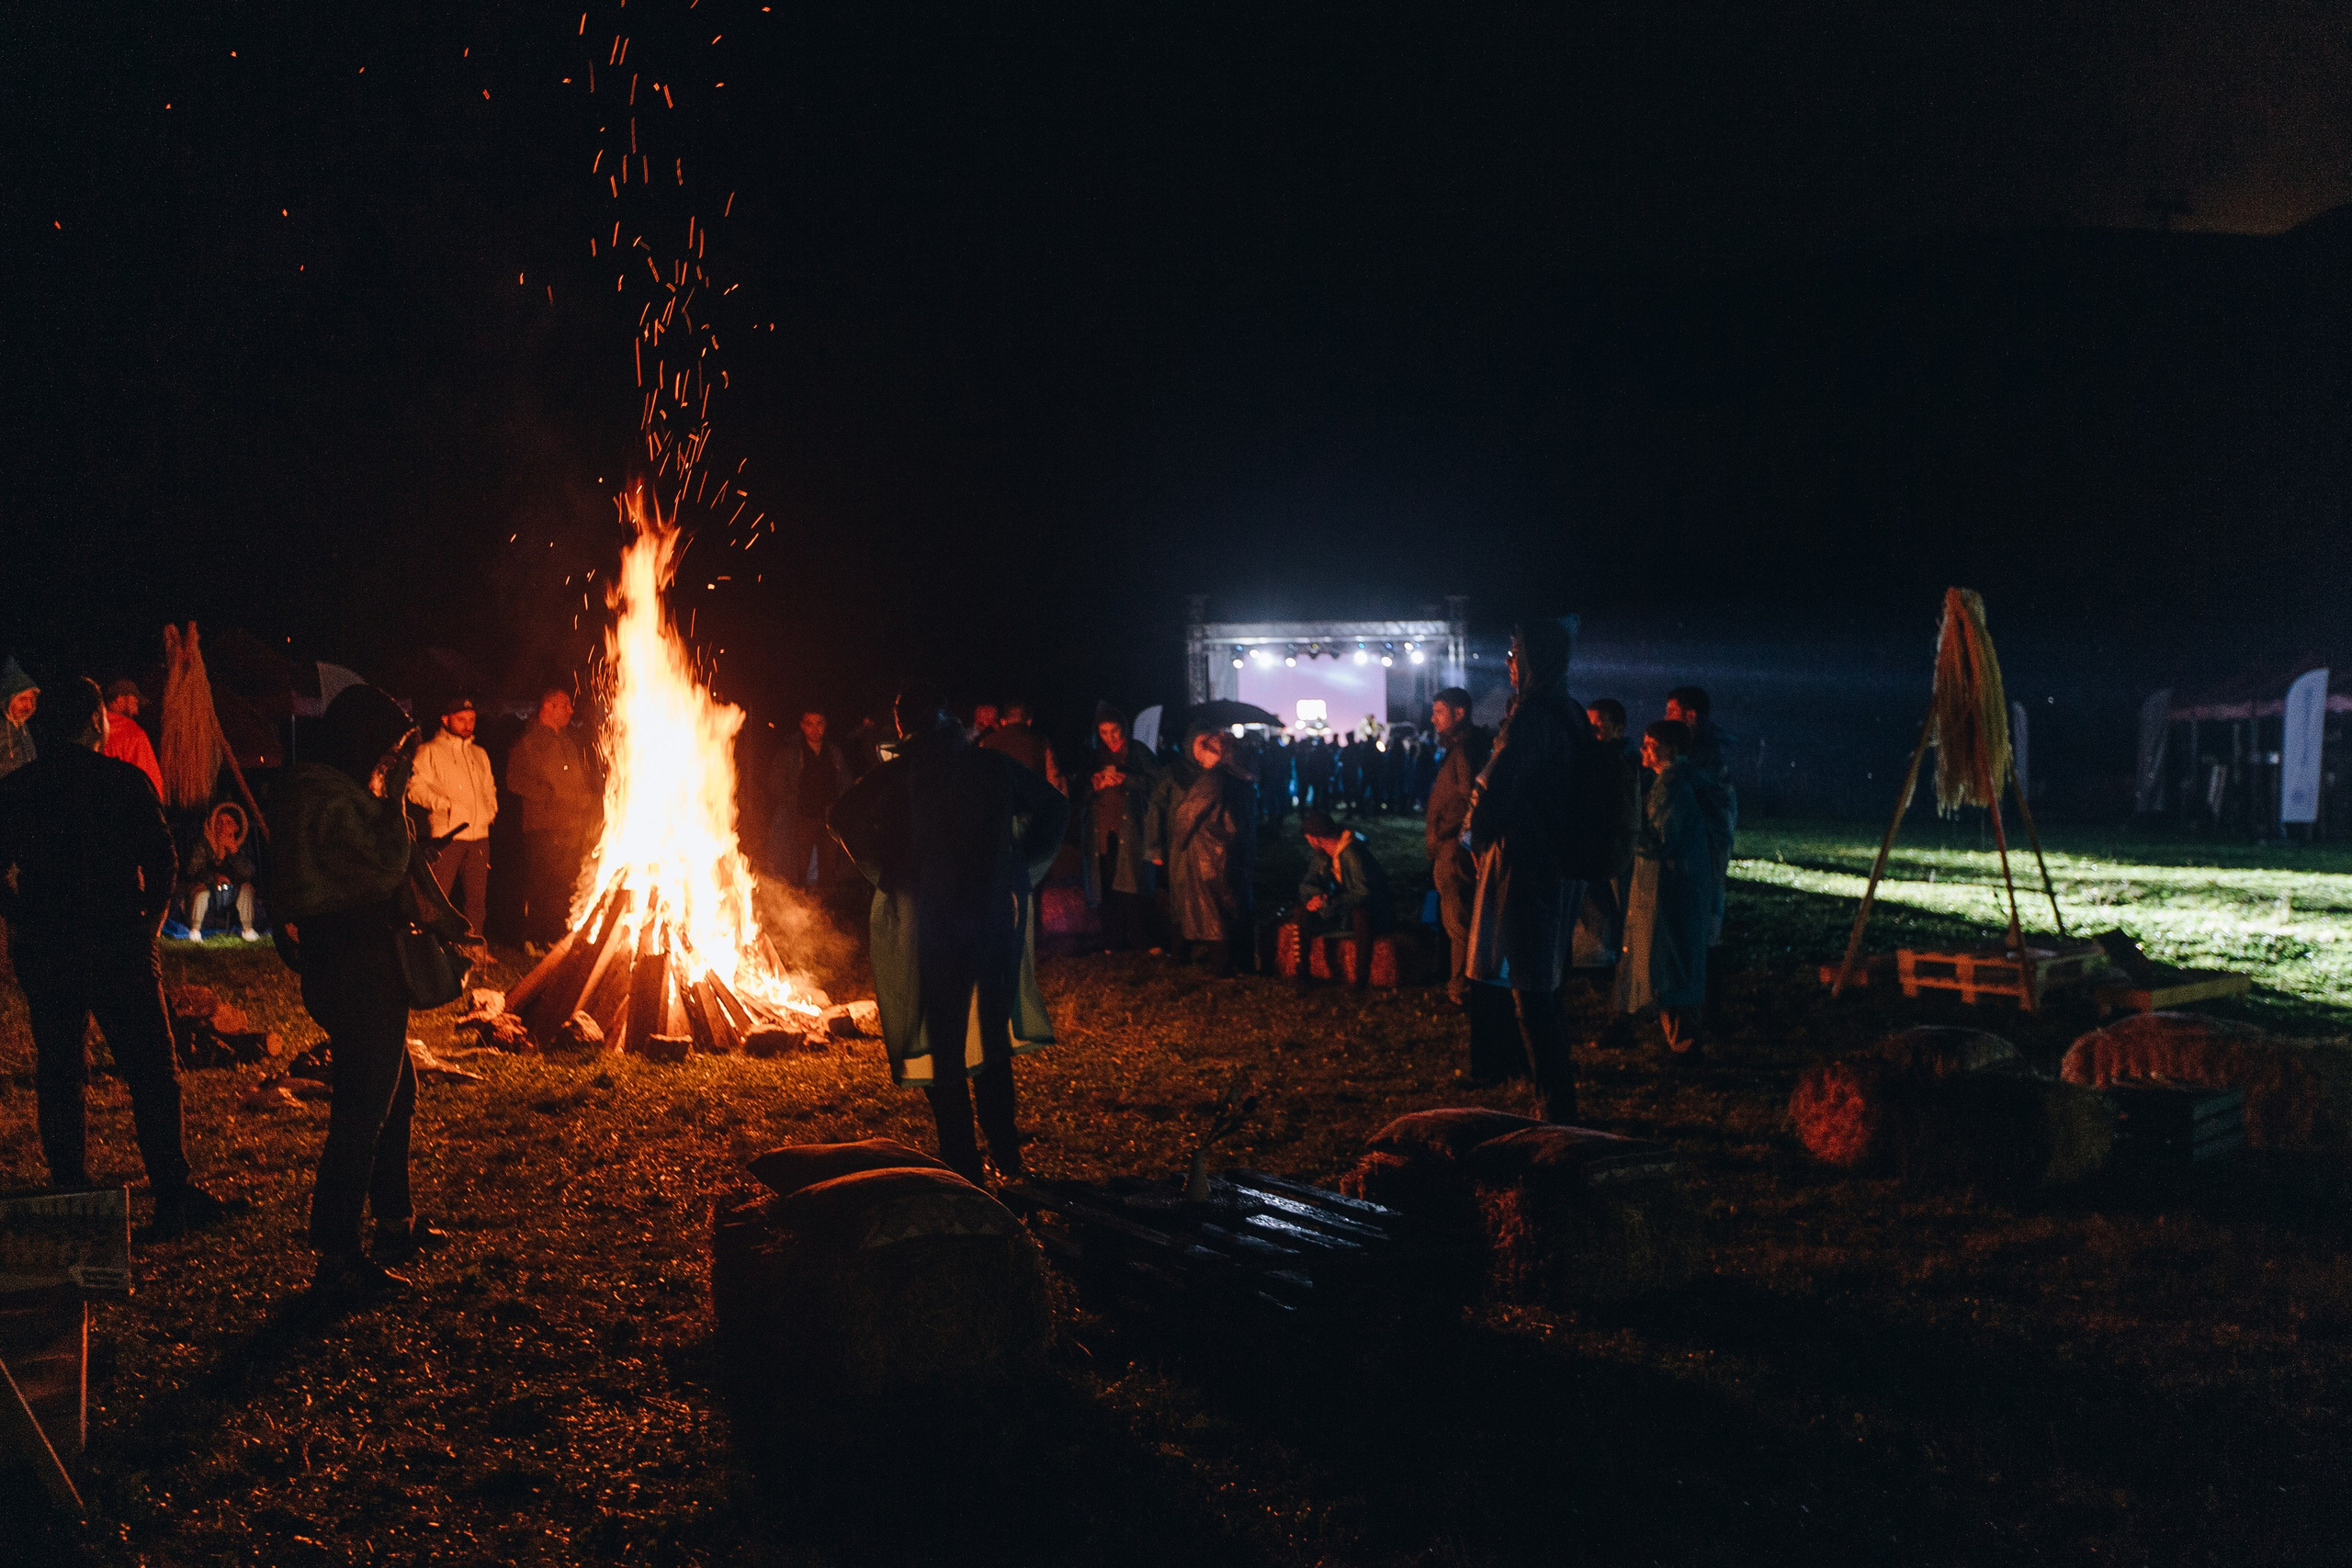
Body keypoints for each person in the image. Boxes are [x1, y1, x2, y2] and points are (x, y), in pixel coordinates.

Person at [0, 677, 238, 1233]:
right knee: (153, 1071)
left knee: (61, 1072)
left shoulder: (18, 789)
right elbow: (163, 865)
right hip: (116, 943)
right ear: (95, 724)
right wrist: (146, 929)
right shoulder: (123, 781)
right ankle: (171, 1194)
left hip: (51, 948)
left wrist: (22, 920)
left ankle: (70, 1196)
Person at [828, 686, 1069, 1185]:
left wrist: (888, 874)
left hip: (935, 924)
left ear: (903, 728)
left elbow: (842, 816)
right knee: (993, 1046)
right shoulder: (991, 767)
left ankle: (964, 1166)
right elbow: (1054, 807)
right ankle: (1008, 1159)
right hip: (990, 921)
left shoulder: (901, 772)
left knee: (946, 1048)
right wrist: (1021, 868)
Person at [270, 682, 464, 1295]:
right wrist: (400, 789)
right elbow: (382, 864)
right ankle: (337, 1254)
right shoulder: (328, 799)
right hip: (357, 968)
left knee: (395, 1092)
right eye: (385, 751)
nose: (387, 762)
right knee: (361, 1111)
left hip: (342, 963)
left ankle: (394, 1220)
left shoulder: (319, 792)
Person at [1464, 619, 1589, 1122]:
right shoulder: (1570, 712)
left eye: (1515, 652)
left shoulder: (1534, 717)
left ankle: (1555, 1110)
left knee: (1532, 988)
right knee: (1544, 984)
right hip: (1558, 860)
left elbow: (1496, 789)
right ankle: (1555, 1101)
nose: (1509, 663)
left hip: (1528, 863)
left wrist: (1476, 837)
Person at [1613, 719, 1710, 1060]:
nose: (1644, 750)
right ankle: (1678, 1038)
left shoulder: (1671, 787)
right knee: (1667, 958)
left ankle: (1684, 1043)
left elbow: (1660, 841)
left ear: (1669, 750)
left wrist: (1624, 831)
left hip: (1670, 889)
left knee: (1671, 959)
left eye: (1650, 744)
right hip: (1668, 887)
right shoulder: (1669, 783)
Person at [507, 687, 599, 956]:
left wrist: (585, 801)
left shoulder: (568, 741)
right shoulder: (529, 741)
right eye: (565, 705)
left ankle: (553, 935)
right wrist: (546, 796)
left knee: (562, 883)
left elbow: (576, 780)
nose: (571, 710)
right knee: (541, 883)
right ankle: (532, 937)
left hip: (570, 825)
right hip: (543, 825)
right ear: (548, 707)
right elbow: (514, 779)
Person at [1167, 729, 1257, 976]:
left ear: (1214, 753)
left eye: (1203, 754)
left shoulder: (1212, 780)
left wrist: (1179, 841)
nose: (1199, 760)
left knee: (1213, 913)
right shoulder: (1242, 778)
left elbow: (1188, 813)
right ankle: (1243, 963)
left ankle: (1222, 966)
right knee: (1234, 907)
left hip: (1211, 854)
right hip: (1236, 853)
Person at [406, 696, 496, 942]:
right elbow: (415, 787)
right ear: (445, 720)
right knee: (437, 893)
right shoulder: (429, 751)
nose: (468, 724)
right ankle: (428, 943)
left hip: (479, 834)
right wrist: (445, 805)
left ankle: (474, 943)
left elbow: (489, 786)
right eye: (461, 719)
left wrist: (491, 808)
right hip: (447, 834)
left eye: (472, 719)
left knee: (476, 899)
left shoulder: (480, 754)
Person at [1424, 687, 1492, 1008]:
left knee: (1458, 920)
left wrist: (1448, 832)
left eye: (1439, 711)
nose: (1433, 717)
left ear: (1459, 713)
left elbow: (1470, 798)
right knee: (1457, 917)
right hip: (1451, 845)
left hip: (1454, 848)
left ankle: (1463, 988)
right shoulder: (1462, 748)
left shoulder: (1464, 750)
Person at [1572, 698, 1642, 984]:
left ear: (1619, 728)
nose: (1592, 733)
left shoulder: (1626, 763)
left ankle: (1612, 967)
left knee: (1615, 908)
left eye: (1599, 727)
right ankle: (1596, 962)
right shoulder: (1592, 758)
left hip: (1615, 849)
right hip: (1594, 846)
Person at [1080, 703, 1160, 951]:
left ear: (1123, 728)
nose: (1109, 738)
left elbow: (1157, 783)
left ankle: (1141, 938)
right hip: (1102, 829)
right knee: (1106, 882)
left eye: (1114, 731)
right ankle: (1112, 939)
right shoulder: (1095, 755)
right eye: (1103, 733)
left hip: (1131, 827)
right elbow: (1081, 793)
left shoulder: (1138, 751)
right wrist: (1094, 784)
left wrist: (1127, 778)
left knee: (1132, 882)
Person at [1664, 685, 1738, 947]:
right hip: (1708, 825)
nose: (1667, 718)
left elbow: (1693, 778)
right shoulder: (1698, 743)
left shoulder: (1702, 746)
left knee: (1710, 881)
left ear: (1691, 716)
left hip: (1714, 827)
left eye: (1672, 711)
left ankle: (1707, 942)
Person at [1295, 808, 1393, 988]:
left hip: (1370, 914)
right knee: (1302, 911)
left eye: (1308, 838)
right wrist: (1316, 897)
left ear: (1316, 838)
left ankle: (1361, 978)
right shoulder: (1322, 855)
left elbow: (1364, 892)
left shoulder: (1352, 853)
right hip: (1339, 911)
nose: (1308, 842)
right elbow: (1306, 884)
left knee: (1360, 914)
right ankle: (1303, 972)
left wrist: (1331, 902)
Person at [765, 708, 854, 889]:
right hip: (802, 818)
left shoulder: (833, 752)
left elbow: (846, 782)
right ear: (802, 726)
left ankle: (825, 909)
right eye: (810, 724)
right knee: (799, 867)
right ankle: (798, 905)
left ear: (825, 725)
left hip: (829, 819)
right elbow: (775, 782)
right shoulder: (791, 752)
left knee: (828, 868)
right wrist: (792, 802)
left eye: (819, 723)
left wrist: (842, 807)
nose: (815, 729)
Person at [180, 801, 262, 942]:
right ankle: (195, 930)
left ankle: (248, 930)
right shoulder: (204, 844)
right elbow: (193, 870)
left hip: (232, 894)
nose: (223, 826)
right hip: (211, 893)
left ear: (236, 827)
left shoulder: (243, 846)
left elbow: (249, 873)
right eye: (219, 822)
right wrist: (213, 877)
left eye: (228, 822)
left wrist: (233, 852)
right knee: (200, 893)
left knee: (247, 889)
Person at [977, 699, 1064, 791]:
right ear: (1029, 721)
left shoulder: (986, 742)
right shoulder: (1041, 742)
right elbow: (1054, 780)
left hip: (996, 801)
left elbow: (979, 776)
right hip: (1029, 801)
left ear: (1003, 721)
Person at [101, 679, 164, 798]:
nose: (136, 712)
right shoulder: (133, 734)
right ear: (119, 699)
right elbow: (152, 783)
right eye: (134, 703)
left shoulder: (91, 728)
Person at [0, 657, 38, 780]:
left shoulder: (23, 728)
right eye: (22, 699)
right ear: (8, 700)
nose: (28, 706)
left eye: (30, 700)